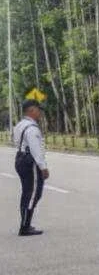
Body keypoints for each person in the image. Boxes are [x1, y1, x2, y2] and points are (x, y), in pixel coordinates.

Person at [12, 99, 48, 236]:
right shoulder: (32, 128)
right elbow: (35, 149)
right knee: (33, 194)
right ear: (31, 110)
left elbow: (16, 141)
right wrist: (43, 167)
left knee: (27, 192)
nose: (40, 113)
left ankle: (25, 224)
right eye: (38, 110)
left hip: (20, 158)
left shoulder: (20, 125)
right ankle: (25, 227)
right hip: (30, 161)